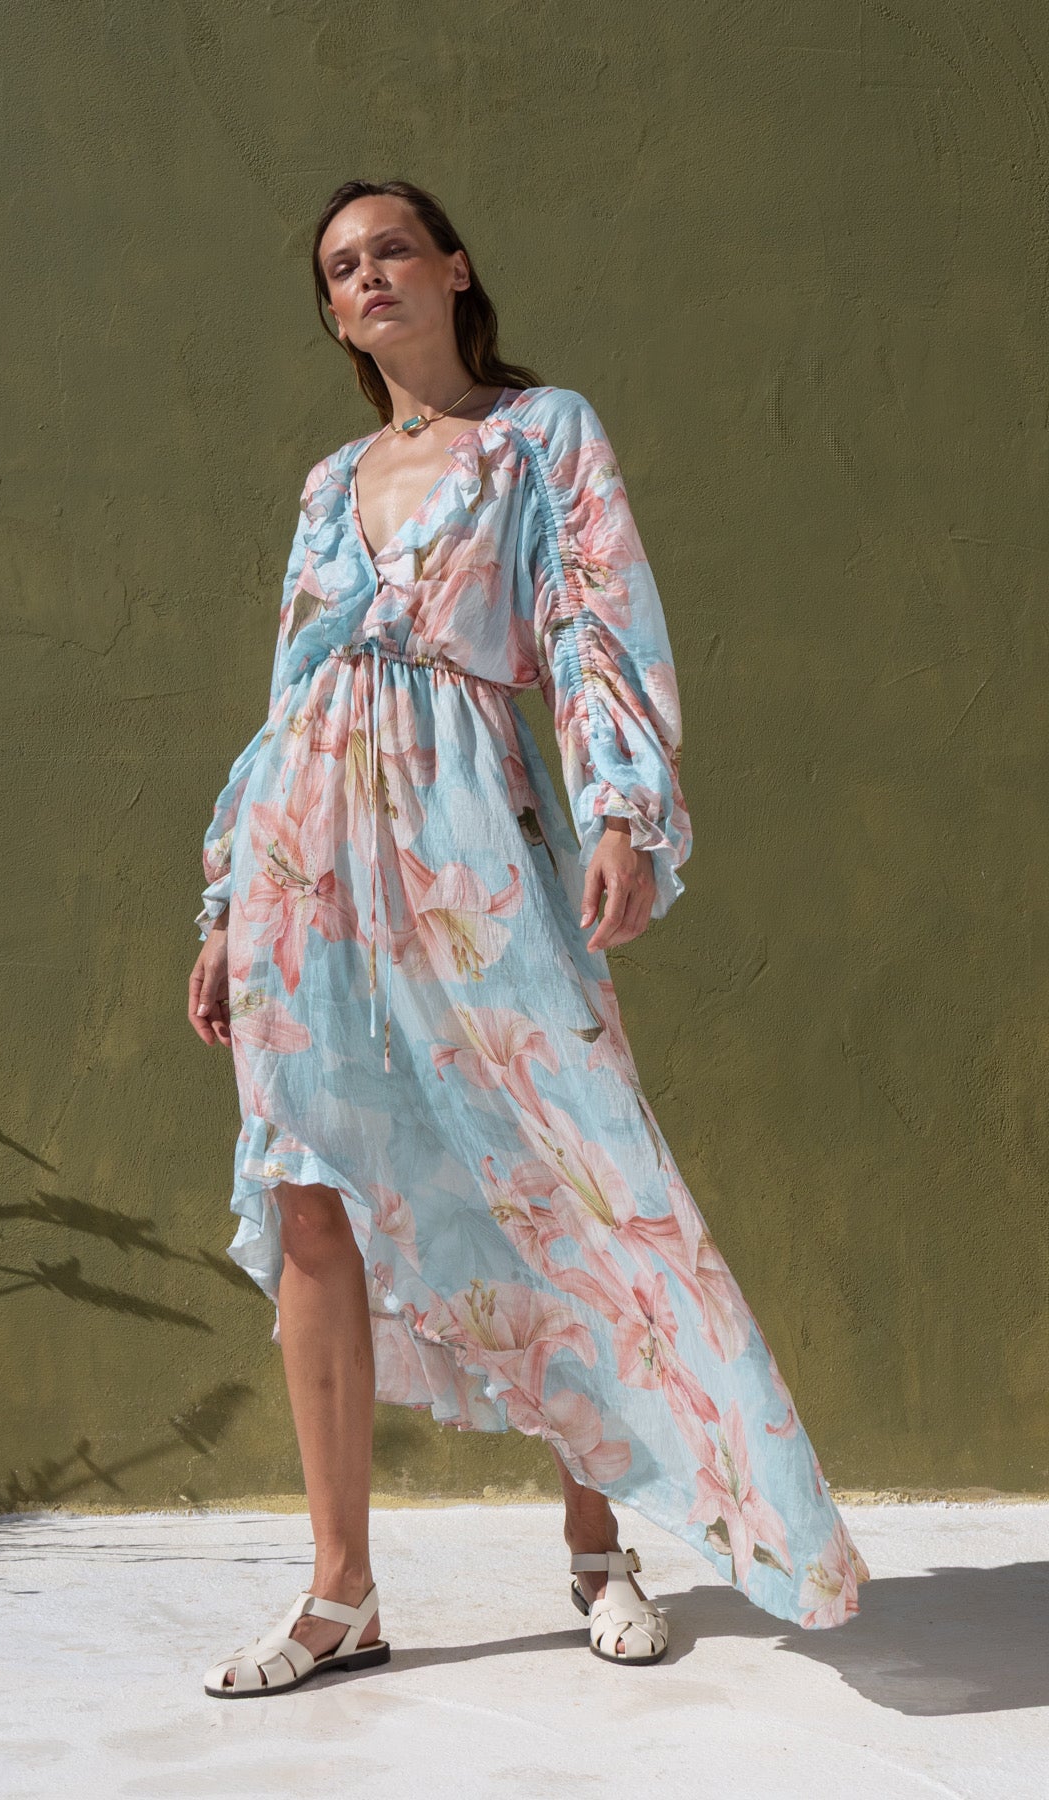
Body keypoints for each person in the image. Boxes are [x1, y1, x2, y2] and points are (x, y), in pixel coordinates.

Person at [188, 178, 870, 1698]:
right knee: (309, 1191)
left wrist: (619, 808)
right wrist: (229, 900)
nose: (367, 276)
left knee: (559, 1173)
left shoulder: (541, 433)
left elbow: (591, 622)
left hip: (472, 837)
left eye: (391, 249)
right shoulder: (328, 483)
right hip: (308, 850)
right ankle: (342, 1591)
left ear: (453, 268)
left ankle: (597, 1546)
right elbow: (289, 692)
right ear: (334, 314)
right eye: (340, 268)